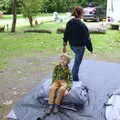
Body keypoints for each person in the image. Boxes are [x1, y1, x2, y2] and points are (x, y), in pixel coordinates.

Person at [63, 6, 93, 82]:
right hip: (80, 48)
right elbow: (87, 39)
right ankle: (74, 80)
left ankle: (72, 78)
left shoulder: (69, 23)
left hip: (72, 46)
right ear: (81, 14)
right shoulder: (82, 25)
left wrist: (65, 45)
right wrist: (90, 48)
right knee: (77, 63)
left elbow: (66, 34)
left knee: (76, 61)